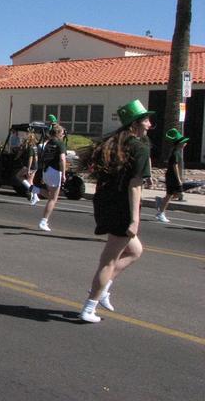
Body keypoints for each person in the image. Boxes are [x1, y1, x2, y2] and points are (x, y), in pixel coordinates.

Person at [79, 99, 153, 323]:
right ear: (135, 123)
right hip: (122, 208)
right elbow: (135, 185)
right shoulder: (139, 147)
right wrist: (135, 219)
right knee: (108, 261)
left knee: (135, 251)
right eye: (147, 120)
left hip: (106, 203)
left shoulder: (114, 143)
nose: (150, 124)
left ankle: (103, 289)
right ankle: (89, 306)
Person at [29, 124, 66, 231]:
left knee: (50, 195)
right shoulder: (60, 144)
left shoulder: (48, 143)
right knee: (53, 199)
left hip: (46, 170)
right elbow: (62, 159)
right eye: (62, 133)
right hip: (55, 171)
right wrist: (63, 174)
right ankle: (44, 221)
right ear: (58, 133)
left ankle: (36, 189)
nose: (63, 135)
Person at [155, 128, 188, 223]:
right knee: (172, 194)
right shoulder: (175, 153)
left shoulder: (176, 152)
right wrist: (178, 179)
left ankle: (161, 201)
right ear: (179, 143)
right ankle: (160, 213)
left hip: (171, 176)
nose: (185, 144)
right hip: (172, 176)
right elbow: (175, 166)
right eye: (183, 142)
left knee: (176, 194)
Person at [17, 131, 39, 204]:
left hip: (29, 166)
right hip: (35, 165)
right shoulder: (35, 146)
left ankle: (34, 195)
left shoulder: (30, 147)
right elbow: (36, 157)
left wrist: (29, 168)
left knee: (18, 176)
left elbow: (31, 158)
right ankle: (35, 196)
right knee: (30, 181)